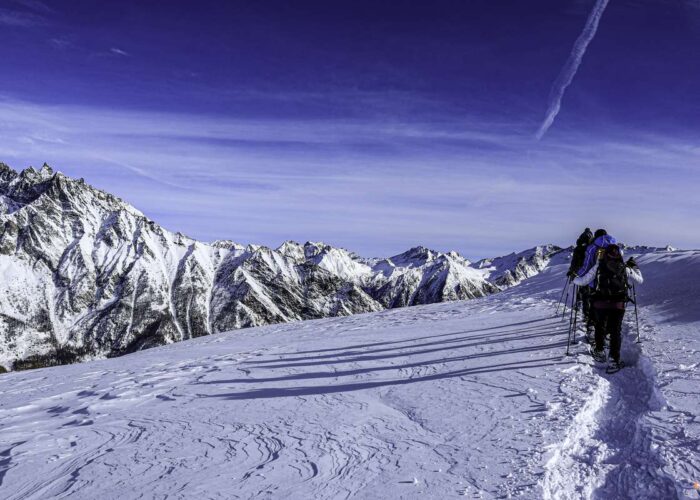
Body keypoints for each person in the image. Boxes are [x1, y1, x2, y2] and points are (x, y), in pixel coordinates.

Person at [573, 233, 643, 371]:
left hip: (600, 302)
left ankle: (599, 351)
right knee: (616, 331)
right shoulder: (625, 267)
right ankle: (614, 361)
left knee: (600, 326)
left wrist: (574, 277)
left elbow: (582, 281)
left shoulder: (598, 266)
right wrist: (635, 268)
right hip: (618, 303)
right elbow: (640, 280)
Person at [567, 228, 594, 338]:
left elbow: (574, 262)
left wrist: (572, 271)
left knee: (583, 292)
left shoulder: (578, 248)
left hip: (580, 273)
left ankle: (585, 312)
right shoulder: (592, 247)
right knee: (589, 295)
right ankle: (589, 317)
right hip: (591, 274)